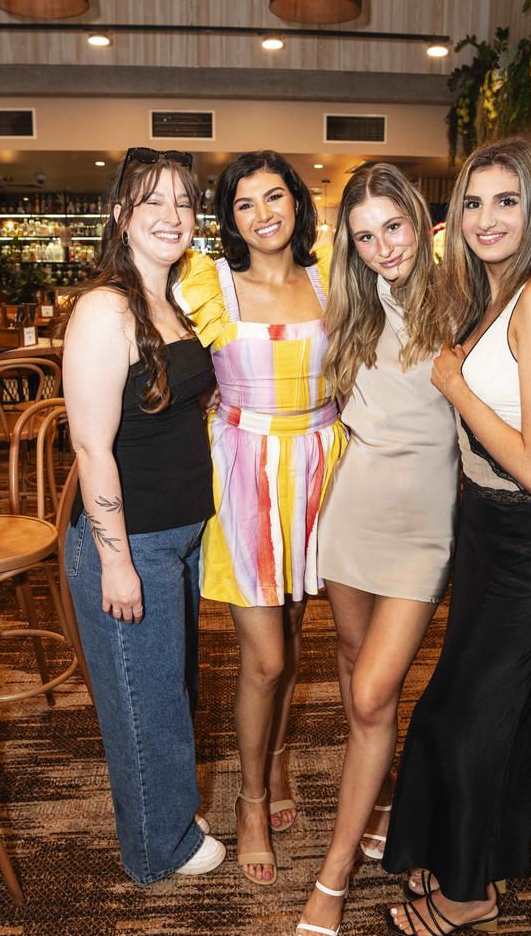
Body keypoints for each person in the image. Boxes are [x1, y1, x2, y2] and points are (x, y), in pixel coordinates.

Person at [383, 137, 531, 936]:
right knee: (483, 708)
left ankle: (471, 890)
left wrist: (453, 385)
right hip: (486, 526)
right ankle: (465, 847)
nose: (486, 218)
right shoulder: (493, 293)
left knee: (467, 713)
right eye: (473, 202)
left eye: (506, 201)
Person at [292, 163, 459, 936]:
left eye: (393, 227)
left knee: (371, 692)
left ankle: (332, 876)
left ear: (419, 223)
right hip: (352, 515)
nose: (382, 246)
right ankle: (382, 798)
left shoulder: (461, 299)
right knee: (354, 667)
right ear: (350, 248)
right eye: (365, 236)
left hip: (426, 529)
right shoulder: (351, 311)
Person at [175, 151, 347, 885]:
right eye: (244, 204)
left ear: (297, 204)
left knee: (299, 625)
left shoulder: (335, 274)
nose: (263, 213)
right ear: (230, 218)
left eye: (274, 196)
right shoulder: (207, 283)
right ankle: (249, 801)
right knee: (266, 655)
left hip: (325, 463)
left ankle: (276, 760)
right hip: (244, 469)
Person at [62, 148, 226, 884]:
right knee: (144, 706)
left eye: (184, 202)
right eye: (151, 201)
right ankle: (155, 851)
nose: (171, 216)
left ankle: (167, 810)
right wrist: (117, 559)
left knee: (170, 691)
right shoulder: (106, 307)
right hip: (132, 544)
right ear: (122, 214)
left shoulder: (171, 298)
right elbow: (92, 446)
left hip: (177, 538)